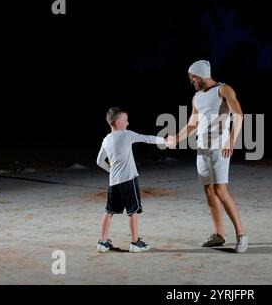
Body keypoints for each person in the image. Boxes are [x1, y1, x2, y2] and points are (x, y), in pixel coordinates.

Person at [170, 60, 248, 253]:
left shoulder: (224, 90)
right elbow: (192, 124)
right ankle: (219, 235)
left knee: (221, 191)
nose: (191, 82)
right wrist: (176, 139)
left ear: (200, 75)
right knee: (209, 192)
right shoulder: (196, 97)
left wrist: (231, 140)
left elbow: (238, 115)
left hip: (219, 148)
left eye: (192, 78)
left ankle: (241, 235)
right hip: (202, 149)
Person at [96, 107, 174, 253]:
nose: (128, 122)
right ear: (118, 123)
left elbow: (99, 161)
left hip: (114, 182)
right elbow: (146, 138)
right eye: (125, 120)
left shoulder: (106, 140)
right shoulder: (126, 134)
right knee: (133, 211)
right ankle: (135, 243)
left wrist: (111, 170)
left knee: (109, 211)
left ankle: (102, 242)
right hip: (128, 180)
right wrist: (164, 140)